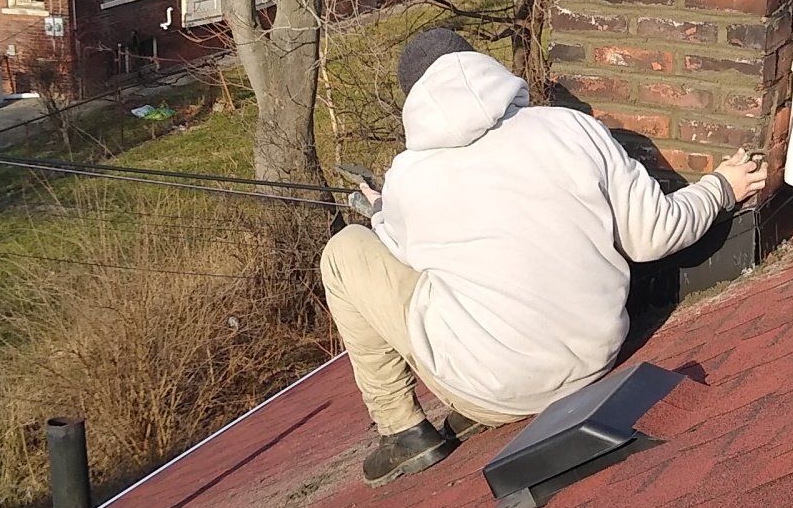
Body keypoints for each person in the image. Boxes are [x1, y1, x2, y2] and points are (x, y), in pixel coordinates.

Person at [320, 27, 770, 480]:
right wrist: (721, 188)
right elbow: (655, 234)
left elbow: (401, 259)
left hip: (492, 391)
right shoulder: (568, 126)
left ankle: (401, 430)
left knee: (343, 254)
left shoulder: (408, 177)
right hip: (597, 357)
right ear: (483, 69)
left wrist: (381, 210)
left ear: (414, 101)